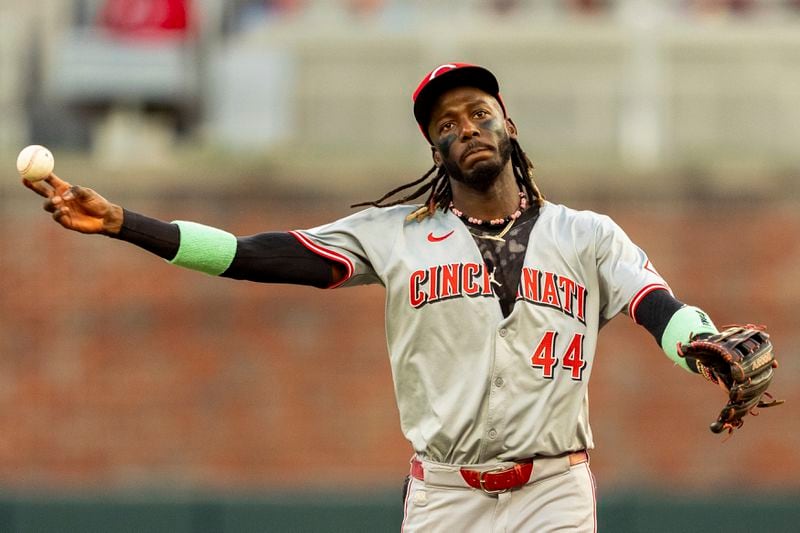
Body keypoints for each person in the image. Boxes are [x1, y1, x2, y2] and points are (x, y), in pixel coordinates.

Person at [20, 63, 758, 531]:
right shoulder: (394, 235)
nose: (464, 126)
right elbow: (251, 255)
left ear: (508, 124)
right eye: (445, 124)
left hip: (552, 490)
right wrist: (125, 223)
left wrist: (696, 342)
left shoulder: (585, 233)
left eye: (477, 112)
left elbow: (652, 300)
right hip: (444, 493)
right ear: (434, 151)